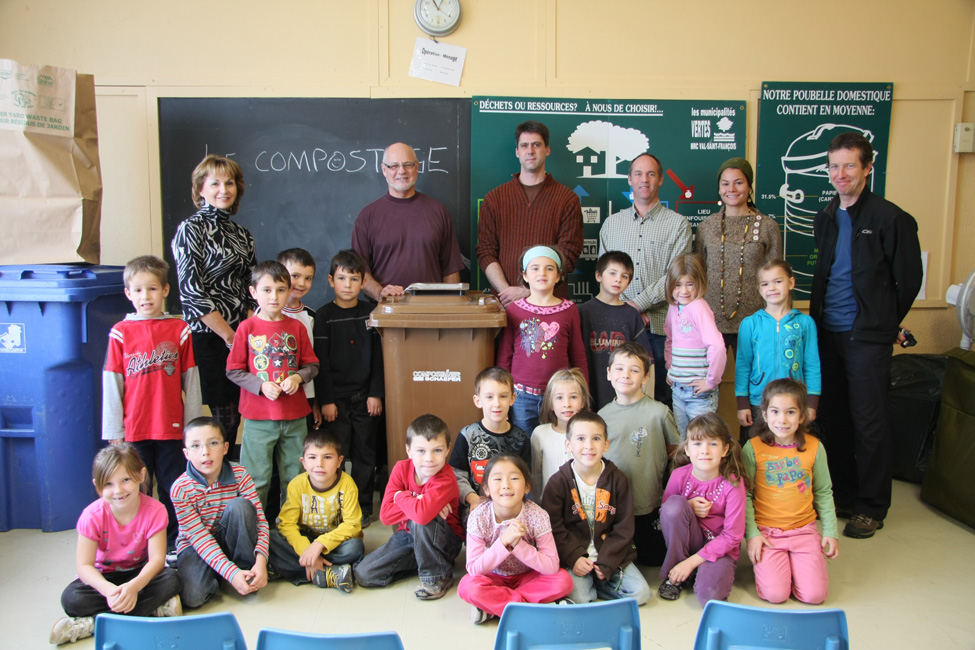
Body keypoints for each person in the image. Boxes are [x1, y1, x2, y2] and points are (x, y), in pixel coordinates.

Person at [810, 132, 922, 539]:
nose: (840, 174)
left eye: (849, 165)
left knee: (869, 422)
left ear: (868, 167)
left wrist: (882, 321)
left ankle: (872, 506)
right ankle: (844, 495)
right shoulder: (825, 216)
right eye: (834, 166)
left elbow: (909, 280)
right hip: (827, 333)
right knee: (834, 418)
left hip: (868, 338)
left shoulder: (891, 218)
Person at [102, 255, 203, 548]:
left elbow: (191, 379)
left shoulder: (179, 329)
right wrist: (114, 430)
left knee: (173, 487)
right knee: (138, 488)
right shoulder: (120, 332)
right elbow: (112, 382)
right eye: (138, 290)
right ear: (128, 293)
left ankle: (173, 542)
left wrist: (193, 428)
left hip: (171, 429)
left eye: (152, 289)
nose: (145, 296)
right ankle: (141, 543)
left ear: (165, 290)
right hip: (134, 430)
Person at [50, 445, 182, 645]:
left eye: (126, 480)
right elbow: (84, 566)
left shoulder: (155, 510)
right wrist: (109, 591)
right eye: (108, 484)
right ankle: (151, 610)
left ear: (141, 475)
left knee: (172, 579)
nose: (118, 490)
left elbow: (156, 560)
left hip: (138, 574)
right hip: (104, 577)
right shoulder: (91, 516)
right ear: (97, 485)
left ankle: (93, 624)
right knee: (71, 598)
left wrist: (134, 587)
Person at [172, 154, 257, 453]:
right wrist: (230, 336)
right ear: (201, 189)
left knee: (236, 413)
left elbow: (252, 288)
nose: (224, 190)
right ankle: (209, 476)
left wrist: (246, 331)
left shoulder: (242, 234)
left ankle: (229, 475)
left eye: (229, 183)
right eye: (215, 183)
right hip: (209, 337)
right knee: (219, 416)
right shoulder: (190, 230)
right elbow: (192, 293)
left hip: (241, 336)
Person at [599, 153, 692, 408]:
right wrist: (629, 313)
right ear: (629, 179)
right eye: (638, 174)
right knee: (615, 396)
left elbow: (676, 276)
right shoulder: (612, 224)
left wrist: (638, 306)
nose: (644, 180)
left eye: (651, 174)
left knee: (665, 398)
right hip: (618, 326)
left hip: (661, 326)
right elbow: (606, 275)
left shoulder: (678, 225)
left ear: (660, 179)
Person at [226, 261, 320, 510]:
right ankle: (255, 527)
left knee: (295, 477)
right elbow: (233, 370)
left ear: (289, 291)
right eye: (266, 290)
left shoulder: (297, 327)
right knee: (256, 478)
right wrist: (260, 385)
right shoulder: (246, 328)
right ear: (253, 292)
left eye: (280, 290)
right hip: (258, 418)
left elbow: (312, 365)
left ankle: (290, 526)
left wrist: (297, 378)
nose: (274, 297)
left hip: (295, 417)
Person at [744, 379, 839, 605]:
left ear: (802, 416)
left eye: (790, 412)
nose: (782, 420)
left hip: (804, 531)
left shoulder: (815, 447)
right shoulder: (752, 448)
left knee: (815, 596)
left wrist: (830, 531)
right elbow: (745, 495)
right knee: (776, 595)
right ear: (764, 414)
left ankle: (798, 568)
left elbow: (823, 491)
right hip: (768, 533)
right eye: (775, 411)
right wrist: (752, 534)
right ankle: (778, 570)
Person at [542, 411, 651, 605]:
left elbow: (624, 527)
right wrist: (574, 557)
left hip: (611, 557)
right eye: (580, 439)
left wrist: (608, 561)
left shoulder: (618, 480)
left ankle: (598, 583)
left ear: (606, 444)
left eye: (596, 438)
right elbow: (554, 528)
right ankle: (592, 586)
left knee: (641, 594)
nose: (589, 446)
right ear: (568, 445)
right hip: (576, 558)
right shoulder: (558, 483)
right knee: (580, 598)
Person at [354, 414, 465, 600]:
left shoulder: (446, 478)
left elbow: (421, 516)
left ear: (448, 449)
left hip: (444, 541)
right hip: (407, 536)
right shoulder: (401, 469)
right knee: (364, 574)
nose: (429, 458)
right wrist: (419, 500)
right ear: (409, 451)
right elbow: (386, 516)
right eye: (420, 451)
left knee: (423, 519)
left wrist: (400, 496)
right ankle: (427, 563)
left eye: (437, 450)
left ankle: (437, 576)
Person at [476, 120, 584, 305]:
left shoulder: (567, 199)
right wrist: (508, 293)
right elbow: (486, 251)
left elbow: (568, 255)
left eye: (536, 145)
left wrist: (526, 292)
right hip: (506, 304)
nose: (530, 151)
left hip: (551, 306)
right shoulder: (494, 198)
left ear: (547, 150)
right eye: (524, 145)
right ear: (517, 152)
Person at [313, 249, 384, 528]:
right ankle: (337, 506)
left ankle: (363, 507)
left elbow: (379, 358)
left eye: (354, 279)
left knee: (365, 455)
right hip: (336, 402)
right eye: (342, 278)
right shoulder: (324, 316)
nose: (347, 285)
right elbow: (321, 363)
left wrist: (375, 393)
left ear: (363, 282)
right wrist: (326, 400)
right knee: (336, 455)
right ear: (331, 280)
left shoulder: (370, 313)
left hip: (366, 399)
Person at [457, 455, 573, 625]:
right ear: (486, 488)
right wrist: (504, 542)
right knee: (468, 586)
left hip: (528, 576)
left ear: (527, 487)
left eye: (514, 478)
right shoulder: (478, 516)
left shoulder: (538, 515)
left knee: (564, 581)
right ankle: (532, 608)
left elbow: (551, 566)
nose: (506, 485)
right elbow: (474, 569)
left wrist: (518, 544)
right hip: (493, 576)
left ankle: (496, 608)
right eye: (497, 479)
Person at [171, 416, 270, 608]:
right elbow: (199, 539)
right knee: (193, 597)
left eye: (213, 443)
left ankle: (244, 570)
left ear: (225, 448)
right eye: (196, 446)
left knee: (240, 506)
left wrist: (261, 562)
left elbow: (260, 522)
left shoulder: (240, 474)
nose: (205, 452)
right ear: (186, 453)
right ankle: (226, 573)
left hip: (229, 539)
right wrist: (230, 573)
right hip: (196, 546)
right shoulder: (180, 489)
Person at [351, 142, 464, 300]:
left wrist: (451, 304)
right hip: (386, 310)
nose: (401, 171)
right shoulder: (367, 217)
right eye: (394, 166)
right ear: (384, 169)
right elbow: (359, 271)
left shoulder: (439, 212)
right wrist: (380, 294)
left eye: (407, 165)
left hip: (431, 308)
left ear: (417, 167)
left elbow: (450, 269)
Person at [599, 342, 678, 566]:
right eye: (619, 368)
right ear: (609, 373)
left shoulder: (659, 413)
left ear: (646, 377)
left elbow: (674, 451)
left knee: (653, 559)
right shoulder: (602, 416)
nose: (625, 375)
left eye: (634, 370)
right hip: (615, 503)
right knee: (619, 557)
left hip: (649, 501)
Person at [658, 413, 748, 606]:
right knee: (673, 506)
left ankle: (693, 568)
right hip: (691, 541)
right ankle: (677, 571)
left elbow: (733, 536)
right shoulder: (679, 475)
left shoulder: (733, 484)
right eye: (697, 444)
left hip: (720, 548)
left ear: (725, 449)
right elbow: (665, 513)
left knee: (709, 596)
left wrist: (691, 562)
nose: (705, 451)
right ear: (687, 449)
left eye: (713, 444)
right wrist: (688, 505)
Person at [496, 246, 588, 433]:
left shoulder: (569, 310)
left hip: (559, 396)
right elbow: (505, 356)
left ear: (559, 275)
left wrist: (583, 394)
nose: (542, 273)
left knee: (558, 441)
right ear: (525, 275)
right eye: (535, 268)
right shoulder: (514, 310)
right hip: (521, 396)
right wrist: (502, 396)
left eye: (549, 268)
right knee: (524, 445)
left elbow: (578, 355)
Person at [695, 157, 782, 354]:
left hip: (756, 321)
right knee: (710, 375)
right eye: (725, 184)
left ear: (749, 187)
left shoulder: (768, 226)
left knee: (756, 373)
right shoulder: (706, 227)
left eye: (739, 182)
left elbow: (777, 278)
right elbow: (697, 276)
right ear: (719, 189)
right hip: (711, 321)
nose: (731, 189)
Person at [268, 430, 363, 592]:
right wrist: (306, 549)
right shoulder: (297, 484)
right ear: (303, 462)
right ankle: (329, 572)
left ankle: (291, 568)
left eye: (327, 457)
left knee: (355, 547)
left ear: (339, 461)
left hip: (334, 543)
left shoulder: (347, 484)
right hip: (305, 538)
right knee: (271, 538)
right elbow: (287, 525)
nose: (319, 464)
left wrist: (319, 545)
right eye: (312, 457)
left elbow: (352, 525)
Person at [735, 260, 820, 438]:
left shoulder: (805, 323)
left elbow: (812, 366)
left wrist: (812, 404)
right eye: (765, 284)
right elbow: (743, 366)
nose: (772, 288)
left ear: (791, 282)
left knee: (790, 448)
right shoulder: (750, 324)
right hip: (758, 402)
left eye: (778, 281)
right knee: (755, 448)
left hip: (794, 402)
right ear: (759, 289)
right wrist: (742, 404)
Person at [451, 367, 531, 518]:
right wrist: (472, 498)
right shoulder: (467, 435)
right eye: (489, 397)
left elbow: (525, 479)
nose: (497, 403)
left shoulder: (521, 438)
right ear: (478, 401)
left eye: (503, 396)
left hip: (511, 509)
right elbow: (456, 476)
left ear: (512, 398)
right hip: (475, 509)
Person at [579, 250, 653, 410]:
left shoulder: (632, 315)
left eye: (624, 276)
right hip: (587, 393)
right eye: (612, 273)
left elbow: (646, 360)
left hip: (623, 396)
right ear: (598, 275)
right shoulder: (582, 312)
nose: (618, 279)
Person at [664, 253, 727, 439]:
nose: (684, 291)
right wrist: (671, 368)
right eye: (678, 284)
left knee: (702, 439)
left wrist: (711, 381)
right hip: (678, 389)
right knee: (683, 440)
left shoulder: (699, 307)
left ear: (699, 283)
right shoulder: (674, 307)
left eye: (690, 284)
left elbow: (717, 346)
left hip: (698, 394)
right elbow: (670, 339)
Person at [276, 248, 320, 431]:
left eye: (308, 278)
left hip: (305, 395)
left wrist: (316, 402)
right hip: (273, 394)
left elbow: (314, 360)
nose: (302, 283)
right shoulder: (264, 313)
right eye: (295, 276)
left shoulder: (311, 316)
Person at [530, 368, 590, 496]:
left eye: (573, 397)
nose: (567, 404)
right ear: (551, 403)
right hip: (549, 504)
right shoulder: (540, 434)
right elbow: (536, 477)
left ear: (583, 401)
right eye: (559, 398)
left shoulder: (591, 434)